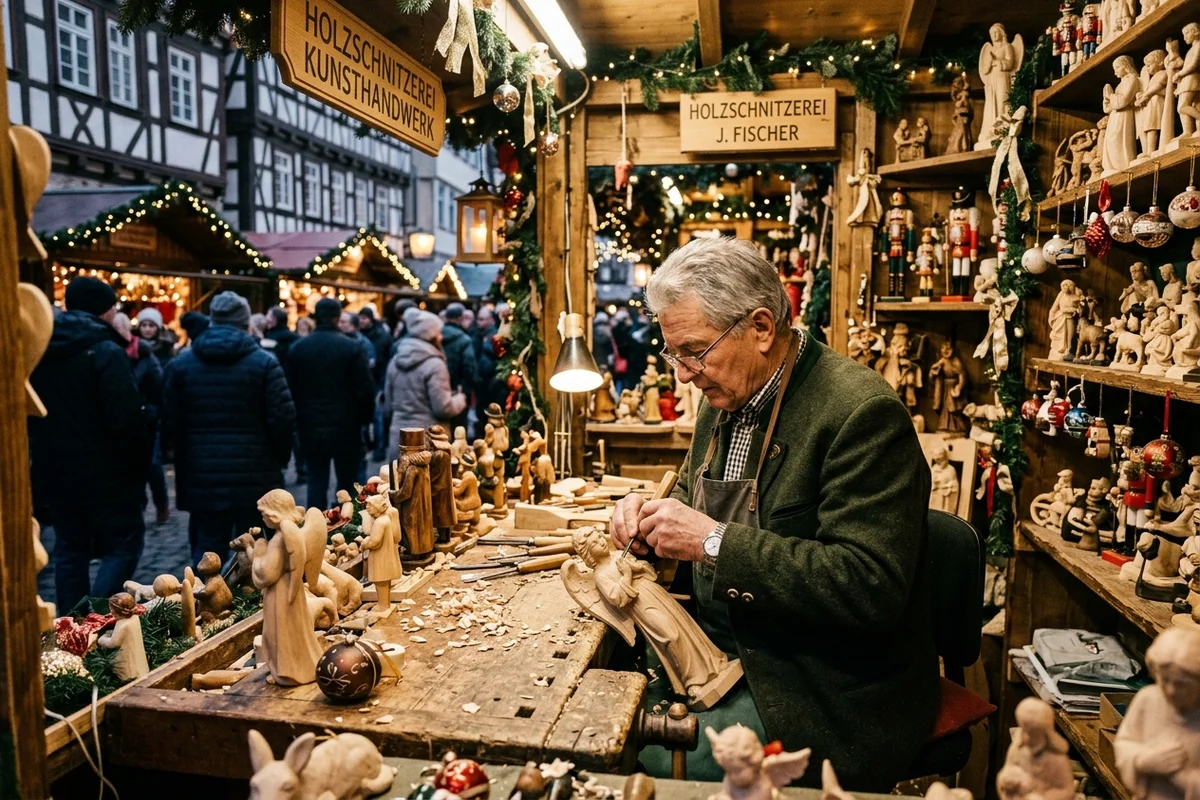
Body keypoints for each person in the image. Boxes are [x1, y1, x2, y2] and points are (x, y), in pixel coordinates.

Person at [609, 238, 937, 790]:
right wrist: (651, 524)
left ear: (761, 327)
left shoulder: (860, 413)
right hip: (720, 649)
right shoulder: (728, 396)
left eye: (694, 351)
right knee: (602, 706)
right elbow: (691, 504)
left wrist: (712, 543)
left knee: (636, 757)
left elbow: (870, 586)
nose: (684, 374)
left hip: (818, 683)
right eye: (674, 355)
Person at [30, 277, 149, 612]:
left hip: (55, 470)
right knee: (123, 546)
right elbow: (126, 419)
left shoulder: (40, 348)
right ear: (105, 310)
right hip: (106, 472)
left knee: (70, 549)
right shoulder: (105, 350)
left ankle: (71, 627)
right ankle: (96, 618)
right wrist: (136, 471)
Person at [163, 291, 295, 564]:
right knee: (257, 547)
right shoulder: (264, 363)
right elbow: (282, 420)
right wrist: (278, 460)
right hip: (254, 471)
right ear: (245, 322)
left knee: (207, 549)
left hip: (202, 473)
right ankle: (254, 604)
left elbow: (169, 422)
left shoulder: (181, 365)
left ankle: (205, 602)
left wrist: (182, 458)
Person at [287, 298, 375, 510]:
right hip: (346, 426)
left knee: (316, 480)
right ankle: (346, 532)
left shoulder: (298, 348)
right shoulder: (351, 348)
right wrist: (364, 421)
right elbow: (364, 389)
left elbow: (290, 389)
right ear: (337, 317)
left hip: (310, 425)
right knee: (346, 483)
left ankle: (315, 530)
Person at [113, 312, 169, 524]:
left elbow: (159, 388)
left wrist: (153, 412)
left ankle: (161, 503)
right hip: (125, 421)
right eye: (143, 325)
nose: (147, 329)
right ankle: (139, 506)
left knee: (153, 466)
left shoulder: (147, 355)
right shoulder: (112, 352)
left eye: (151, 325)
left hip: (147, 421)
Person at [386, 308, 467, 442]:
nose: (441, 337)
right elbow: (443, 408)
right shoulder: (435, 365)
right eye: (438, 333)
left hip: (399, 435)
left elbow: (388, 405)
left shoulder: (395, 361)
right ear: (430, 336)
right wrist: (460, 399)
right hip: (429, 438)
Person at [359, 305, 393, 461]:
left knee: (378, 417)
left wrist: (385, 383)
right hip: (365, 381)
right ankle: (369, 445)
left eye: (364, 318)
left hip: (378, 380)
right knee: (365, 419)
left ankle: (379, 449)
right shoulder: (358, 337)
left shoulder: (382, 336)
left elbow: (386, 359)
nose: (362, 321)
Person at [439, 302, 477, 434]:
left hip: (438, 388)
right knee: (459, 430)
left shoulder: (436, 336)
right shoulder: (464, 340)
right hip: (459, 390)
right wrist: (468, 387)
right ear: (460, 318)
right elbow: (469, 367)